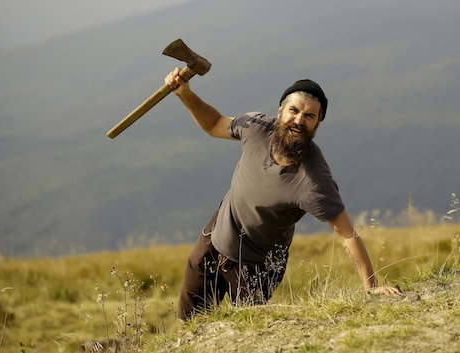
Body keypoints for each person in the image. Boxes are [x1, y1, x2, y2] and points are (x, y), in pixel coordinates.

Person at [164, 68, 400, 322]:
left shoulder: (314, 180)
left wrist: (371, 286)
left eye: (309, 116)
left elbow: (347, 235)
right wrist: (185, 94)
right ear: (280, 113)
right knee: (188, 326)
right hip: (214, 240)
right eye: (294, 110)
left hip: (257, 267)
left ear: (317, 125)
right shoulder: (255, 128)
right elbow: (213, 124)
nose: (299, 120)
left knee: (246, 333)